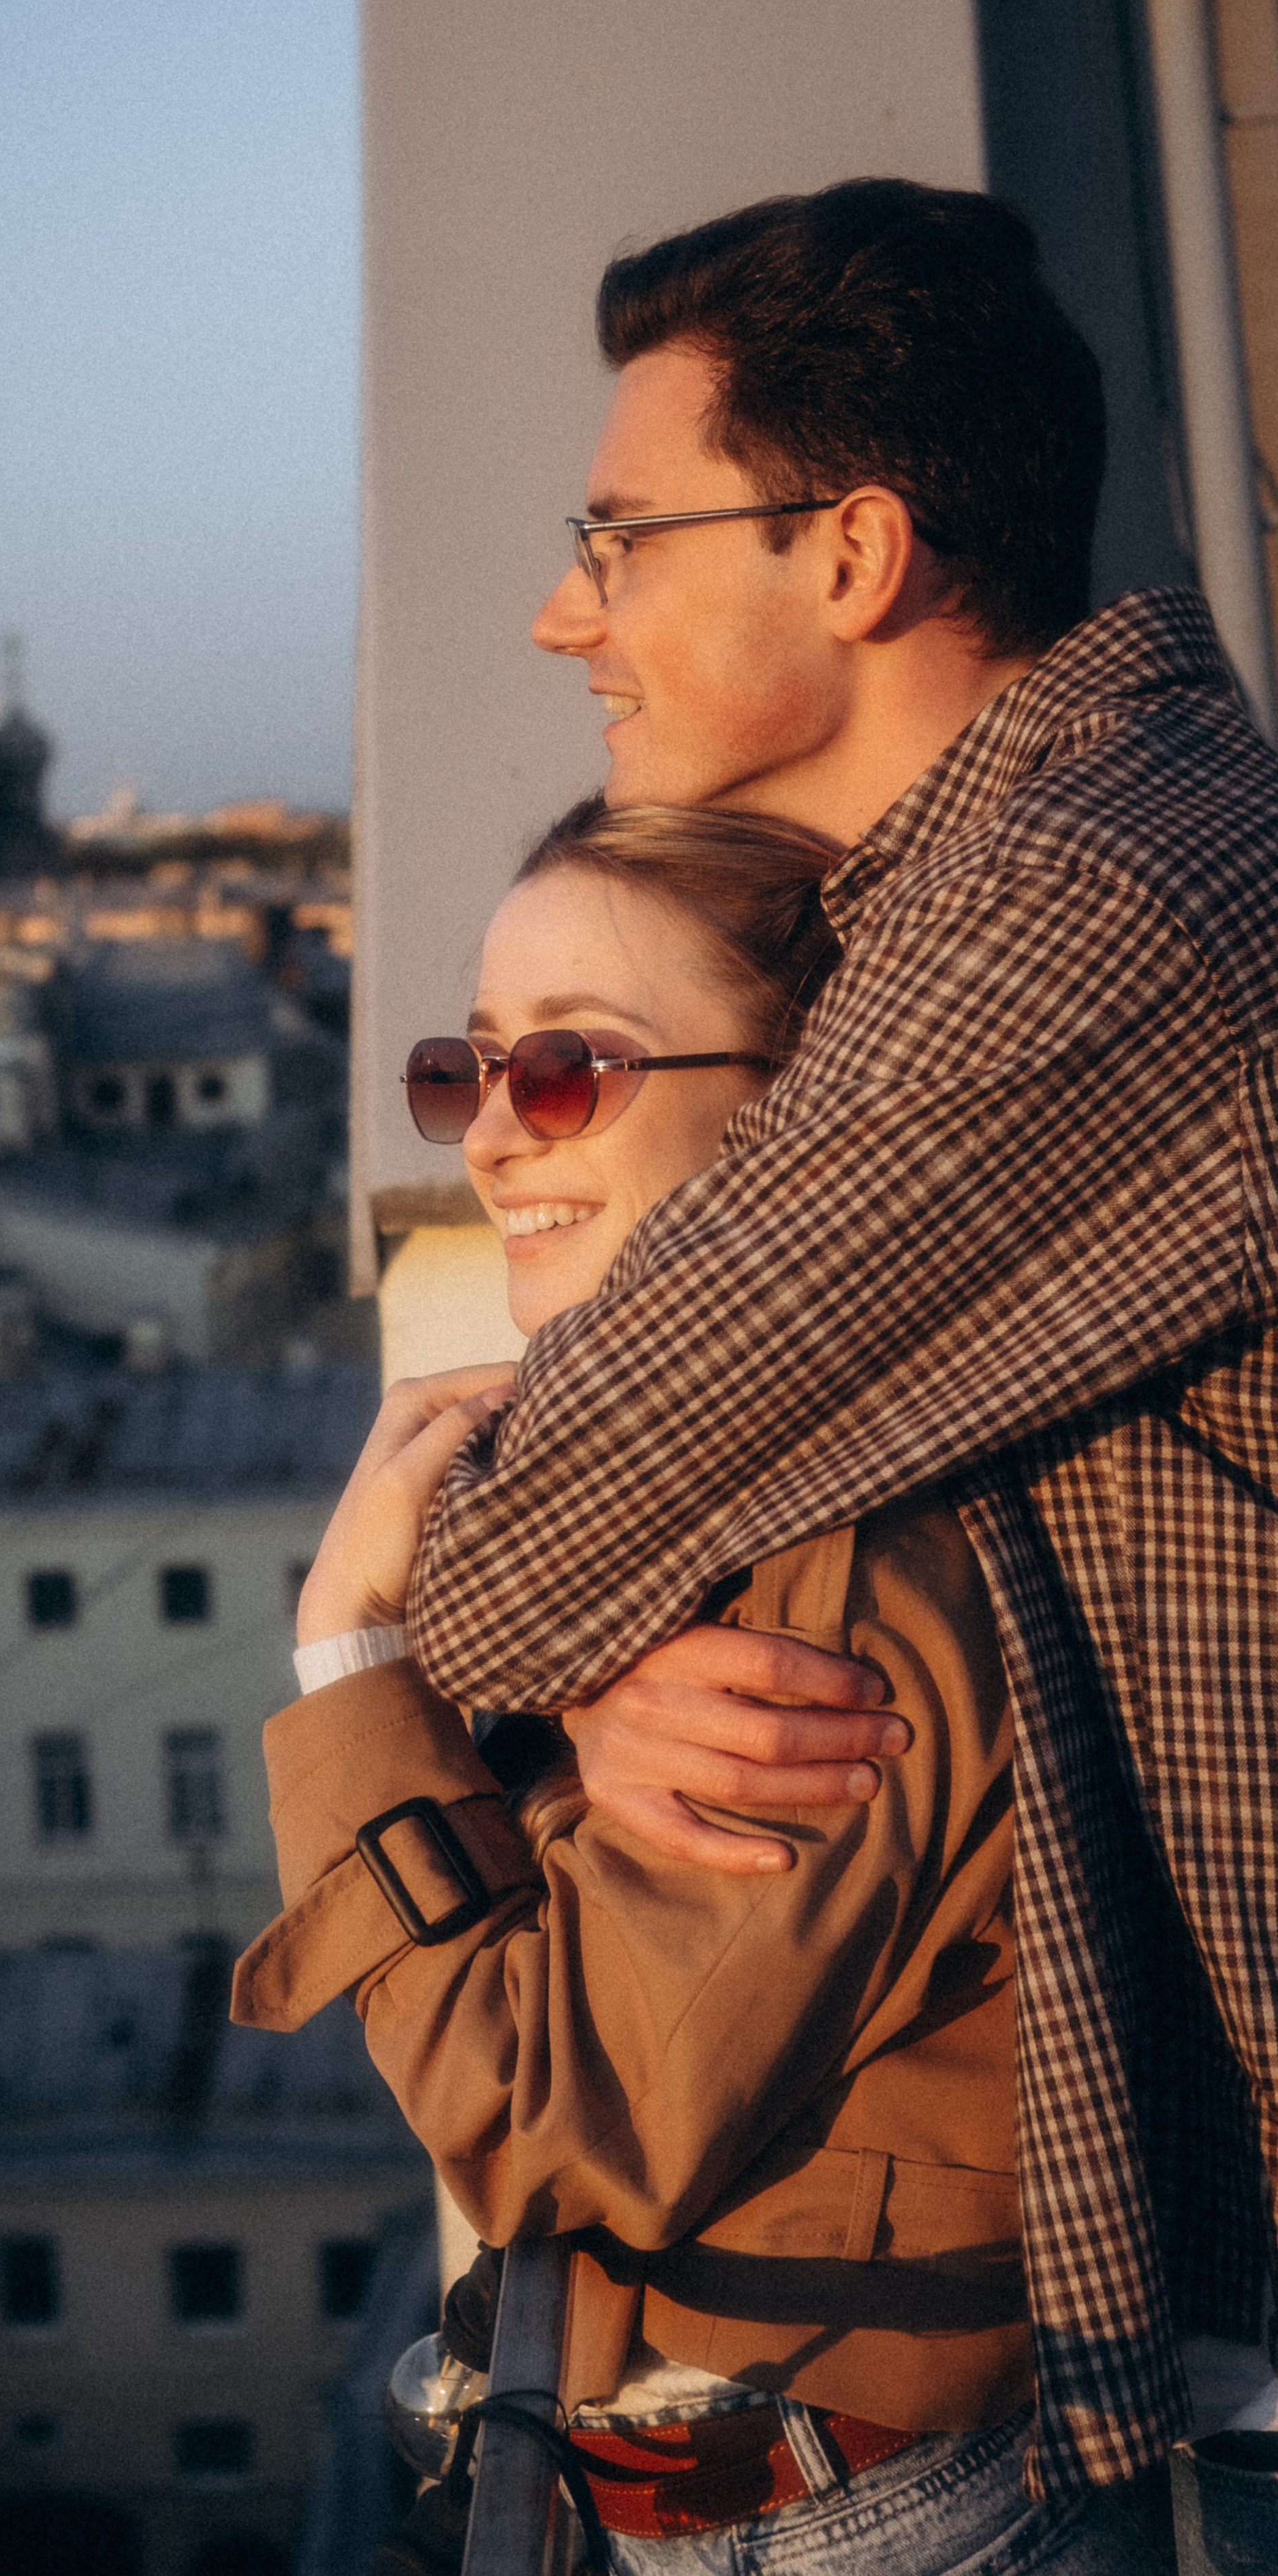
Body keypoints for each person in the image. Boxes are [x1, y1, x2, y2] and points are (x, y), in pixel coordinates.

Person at [387, 176, 1278, 2508]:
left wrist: (433, 1622)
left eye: (624, 538)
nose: (562, 611)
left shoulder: (1080, 909)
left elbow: (506, 1558)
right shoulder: (1066, 856)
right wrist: (609, 1650)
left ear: (855, 557)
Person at [234, 800, 1164, 2571]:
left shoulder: (838, 1584)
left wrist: (352, 1644)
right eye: (470, 1068)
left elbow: (550, 2127)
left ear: (796, 1121)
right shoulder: (745, 1501)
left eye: (569, 1067)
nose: (494, 1136)